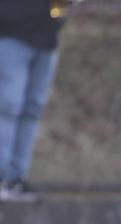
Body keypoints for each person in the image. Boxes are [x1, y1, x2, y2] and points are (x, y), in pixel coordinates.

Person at [0, 0, 69, 202]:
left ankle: (15, 178)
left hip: (46, 38)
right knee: (8, 107)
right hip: (10, 36)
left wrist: (59, 14)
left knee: (32, 110)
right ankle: (2, 176)